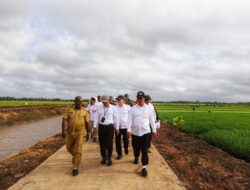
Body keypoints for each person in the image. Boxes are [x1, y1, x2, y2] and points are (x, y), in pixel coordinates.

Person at [127, 91, 157, 177]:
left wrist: (154, 130)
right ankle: (136, 156)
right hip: (135, 132)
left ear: (144, 99)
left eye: (141, 98)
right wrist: (128, 130)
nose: (139, 100)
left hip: (145, 132)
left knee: (144, 150)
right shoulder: (132, 109)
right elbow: (129, 120)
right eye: (138, 98)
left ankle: (144, 167)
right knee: (135, 147)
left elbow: (151, 120)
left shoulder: (149, 109)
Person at [62, 96, 90, 176]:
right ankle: (75, 158)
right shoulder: (68, 109)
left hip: (80, 133)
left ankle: (75, 167)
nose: (79, 103)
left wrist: (88, 133)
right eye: (78, 101)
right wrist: (63, 131)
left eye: (81, 102)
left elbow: (87, 123)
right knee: (69, 148)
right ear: (74, 101)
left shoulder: (85, 111)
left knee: (78, 150)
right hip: (70, 133)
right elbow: (64, 120)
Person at [94, 95, 119, 166]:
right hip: (101, 127)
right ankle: (104, 157)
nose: (104, 103)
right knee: (102, 144)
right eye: (103, 102)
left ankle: (109, 158)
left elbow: (116, 118)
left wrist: (117, 128)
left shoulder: (114, 108)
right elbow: (96, 117)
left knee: (109, 143)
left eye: (106, 102)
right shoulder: (99, 107)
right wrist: (94, 127)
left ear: (109, 100)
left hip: (110, 127)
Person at [115, 95, 131, 160]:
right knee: (117, 141)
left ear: (123, 100)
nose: (118, 101)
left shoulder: (128, 107)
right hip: (117, 127)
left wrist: (130, 128)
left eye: (120, 100)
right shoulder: (115, 108)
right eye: (117, 100)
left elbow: (130, 117)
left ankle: (126, 148)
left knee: (126, 140)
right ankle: (119, 154)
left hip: (125, 127)